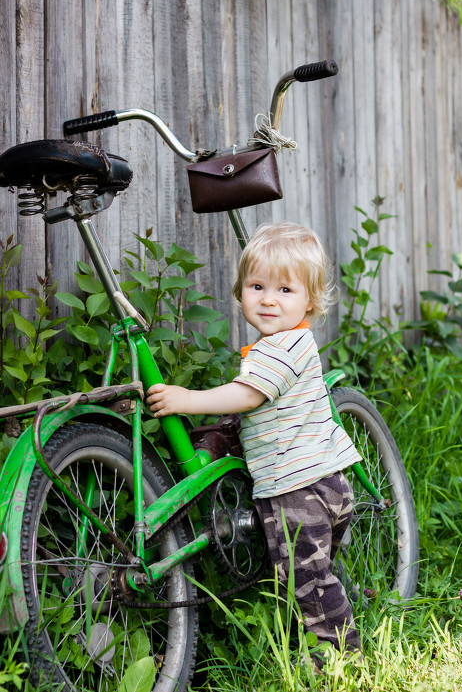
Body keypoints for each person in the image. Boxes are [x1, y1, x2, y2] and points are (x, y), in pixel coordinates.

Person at [147, 222, 363, 664]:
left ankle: (341, 659)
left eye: (285, 290)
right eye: (257, 286)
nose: (268, 299)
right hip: (325, 483)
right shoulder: (294, 342)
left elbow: (249, 395)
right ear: (240, 290)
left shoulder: (280, 349)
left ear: (310, 300)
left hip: (298, 492)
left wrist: (186, 399)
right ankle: (339, 622)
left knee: (308, 584)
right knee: (318, 572)